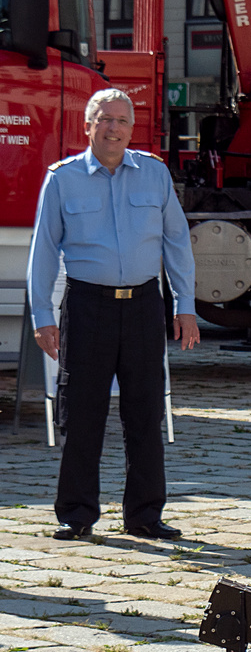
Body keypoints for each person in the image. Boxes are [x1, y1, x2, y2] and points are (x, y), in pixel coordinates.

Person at [27, 88, 199, 541]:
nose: (114, 128)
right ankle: (76, 513)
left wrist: (186, 306)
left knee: (145, 413)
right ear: (88, 126)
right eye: (105, 119)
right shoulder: (62, 179)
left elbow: (177, 243)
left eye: (123, 120)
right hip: (87, 307)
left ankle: (145, 514)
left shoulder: (155, 175)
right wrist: (42, 315)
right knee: (82, 413)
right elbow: (43, 250)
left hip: (143, 306)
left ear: (131, 128)